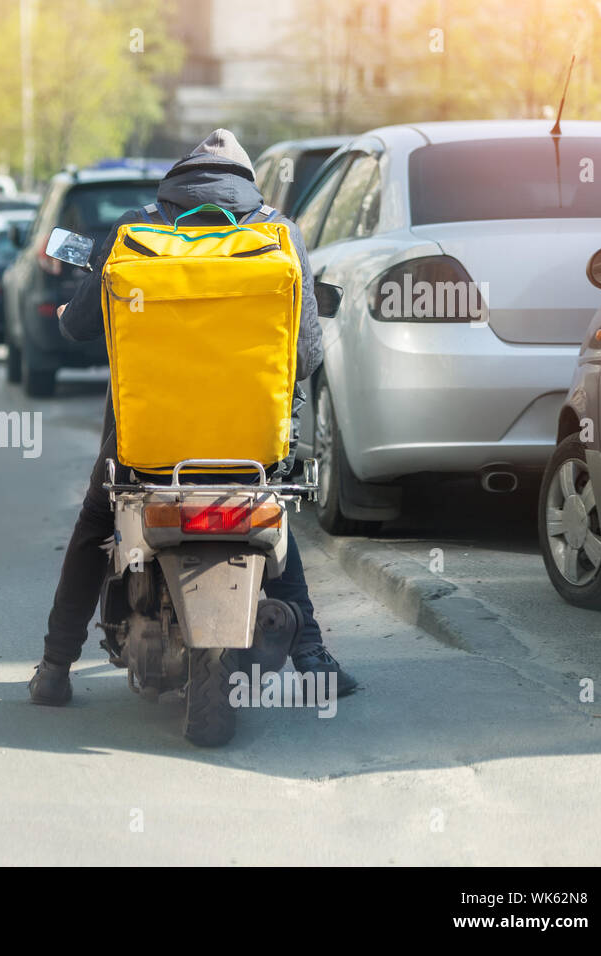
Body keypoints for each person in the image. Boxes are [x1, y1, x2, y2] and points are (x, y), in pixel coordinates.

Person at [29, 129, 359, 706]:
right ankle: (312, 657)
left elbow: (80, 326)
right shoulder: (279, 233)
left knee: (94, 523)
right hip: (250, 444)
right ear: (245, 182)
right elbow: (305, 354)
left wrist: (72, 312)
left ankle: (55, 668)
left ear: (179, 178)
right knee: (267, 511)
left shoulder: (137, 228)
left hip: (145, 449)